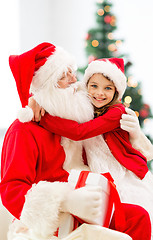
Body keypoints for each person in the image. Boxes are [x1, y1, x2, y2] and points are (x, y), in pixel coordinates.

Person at [0, 43, 151, 240]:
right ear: (48, 85)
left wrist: (136, 135)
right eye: (64, 75)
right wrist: (65, 201)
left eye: (73, 72)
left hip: (87, 207)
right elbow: (12, 190)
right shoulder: (23, 129)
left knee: (138, 217)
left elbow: (96, 102)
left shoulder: (76, 115)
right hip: (51, 220)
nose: (75, 80)